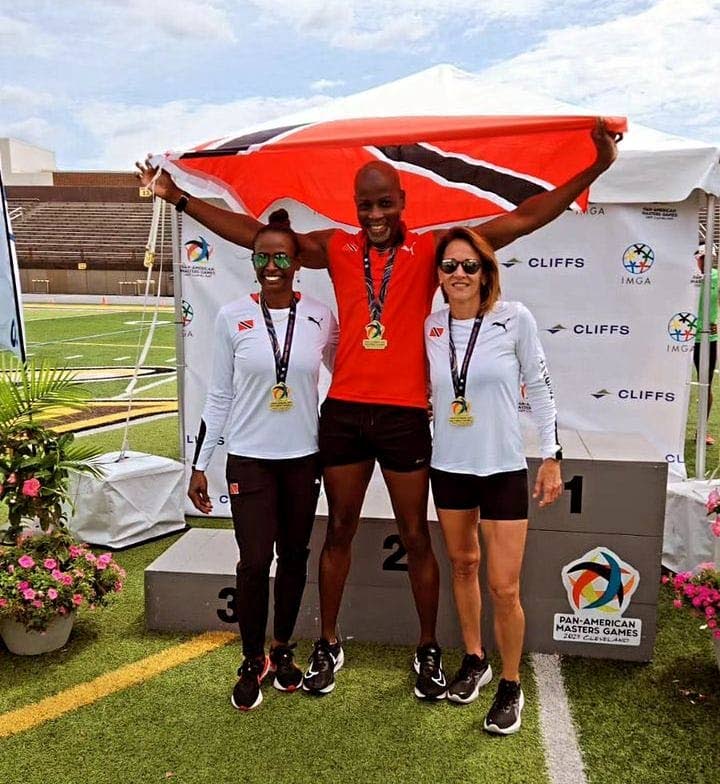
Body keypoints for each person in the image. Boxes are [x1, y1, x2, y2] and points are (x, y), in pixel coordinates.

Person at [136, 118, 619, 698]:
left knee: (416, 535)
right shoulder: (337, 246)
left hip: (404, 417)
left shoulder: (435, 248)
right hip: (342, 415)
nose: (374, 214)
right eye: (365, 204)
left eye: (384, 203)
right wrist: (180, 197)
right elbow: (257, 235)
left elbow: (518, 221)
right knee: (337, 530)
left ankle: (426, 650)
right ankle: (329, 643)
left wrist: (592, 169)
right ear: (355, 205)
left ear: (402, 201)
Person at [188, 209, 338, 710]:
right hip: (249, 460)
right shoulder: (233, 316)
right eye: (262, 256)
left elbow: (347, 375)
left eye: (281, 256)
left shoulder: (320, 315)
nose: (271, 264)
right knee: (254, 563)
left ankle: (283, 649)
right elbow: (219, 397)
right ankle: (253, 658)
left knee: (294, 558)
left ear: (299, 263)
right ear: (252, 262)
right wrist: (199, 464)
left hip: (303, 461)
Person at [425, 226, 562, 734]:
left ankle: (510, 685)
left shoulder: (514, 319)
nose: (459, 274)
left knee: (504, 587)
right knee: (463, 566)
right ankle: (475, 660)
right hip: (450, 466)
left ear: (486, 273)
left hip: (502, 466)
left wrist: (551, 455)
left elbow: (542, 388)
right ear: (438, 275)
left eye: (469, 265)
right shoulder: (431, 326)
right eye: (449, 266)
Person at [693, 244, 718, 446]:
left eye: (712, 258)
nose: (708, 262)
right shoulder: (687, 275)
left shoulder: (717, 278)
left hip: (708, 339)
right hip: (682, 336)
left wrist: (716, 323)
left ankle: (701, 431)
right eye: (704, 258)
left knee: (706, 385)